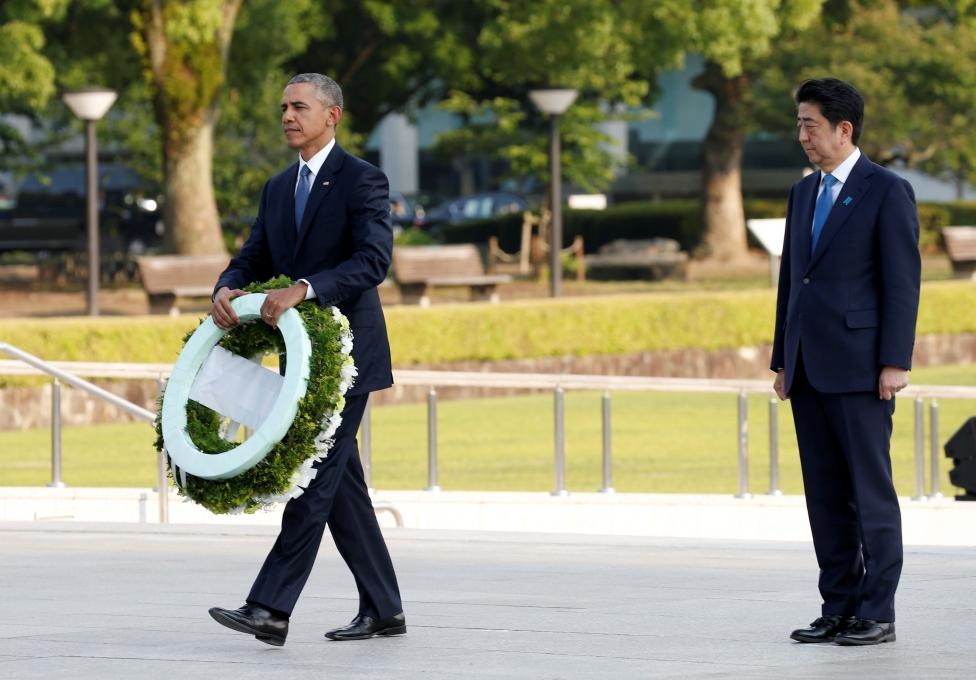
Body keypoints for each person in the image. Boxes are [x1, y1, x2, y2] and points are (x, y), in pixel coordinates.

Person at [207, 73, 404, 646]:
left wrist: (305, 287)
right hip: (299, 361)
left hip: (349, 359)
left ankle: (270, 608)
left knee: (313, 479)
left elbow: (373, 261)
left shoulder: (364, 181)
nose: (288, 116)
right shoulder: (276, 187)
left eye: (299, 107)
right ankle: (385, 609)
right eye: (284, 107)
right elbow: (251, 255)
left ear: (332, 115)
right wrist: (227, 286)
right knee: (341, 487)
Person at [771, 78, 920, 646]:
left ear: (843, 129)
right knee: (825, 494)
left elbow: (901, 284)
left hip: (862, 369)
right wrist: (783, 359)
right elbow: (792, 283)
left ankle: (877, 610)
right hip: (807, 369)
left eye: (809, 124)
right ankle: (838, 606)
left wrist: (894, 361)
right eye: (799, 124)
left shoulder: (887, 190)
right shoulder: (802, 193)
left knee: (868, 493)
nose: (801, 135)